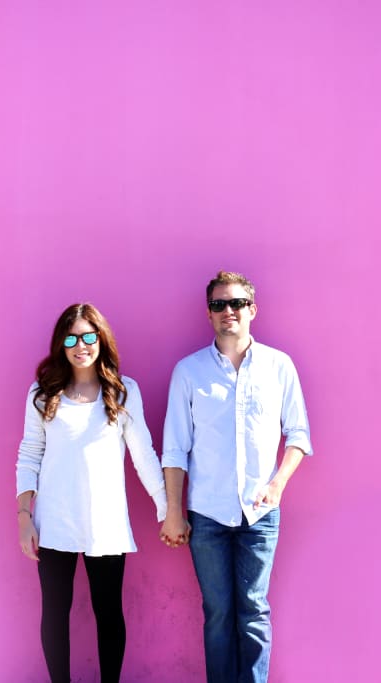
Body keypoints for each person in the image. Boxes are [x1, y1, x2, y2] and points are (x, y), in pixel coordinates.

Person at [160, 270, 313, 683]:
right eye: (219, 304)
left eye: (237, 303)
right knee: (218, 613)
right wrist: (174, 511)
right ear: (209, 313)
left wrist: (277, 484)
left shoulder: (279, 366)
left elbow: (298, 435)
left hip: (260, 514)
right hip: (207, 514)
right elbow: (175, 449)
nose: (229, 310)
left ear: (252, 310)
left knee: (254, 610)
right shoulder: (189, 372)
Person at [16, 303, 167, 683]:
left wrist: (167, 509)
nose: (80, 346)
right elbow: (29, 454)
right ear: (60, 344)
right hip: (54, 522)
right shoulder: (42, 393)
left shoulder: (122, 391)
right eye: (71, 339)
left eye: (87, 336)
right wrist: (24, 517)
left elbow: (144, 455)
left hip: (106, 522)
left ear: (101, 339)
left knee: (108, 612)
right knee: (55, 612)